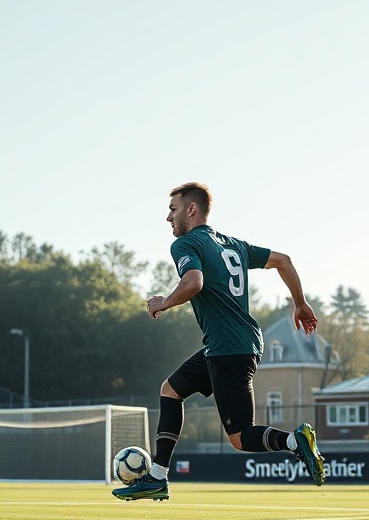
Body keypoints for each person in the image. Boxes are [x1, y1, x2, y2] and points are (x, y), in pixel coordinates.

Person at [113, 182, 325, 501]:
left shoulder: (186, 244)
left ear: (191, 209)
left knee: (239, 437)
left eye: (173, 209)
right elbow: (283, 260)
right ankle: (157, 476)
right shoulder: (232, 244)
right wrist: (300, 302)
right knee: (170, 390)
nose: (168, 217)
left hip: (227, 349)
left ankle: (295, 441)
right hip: (239, 344)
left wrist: (164, 302)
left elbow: (194, 281)